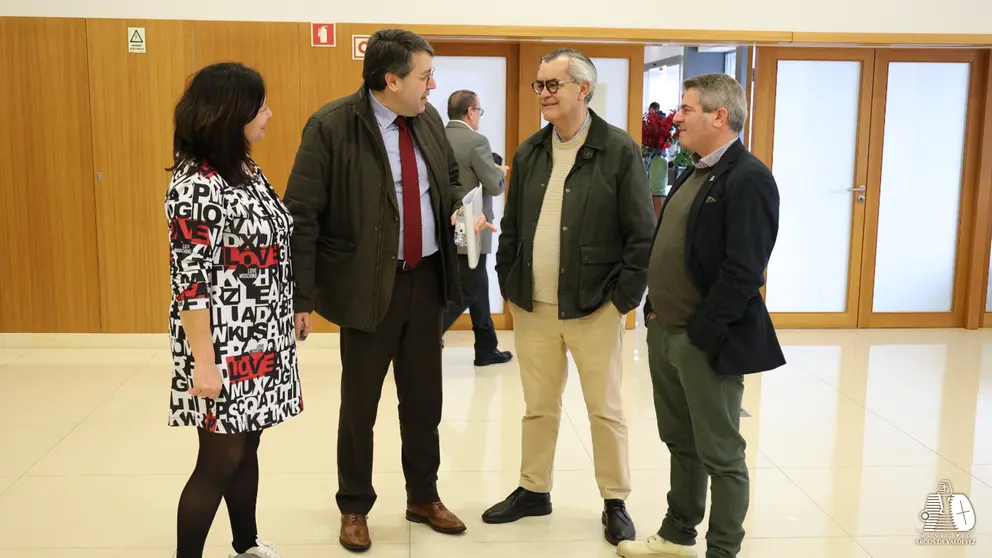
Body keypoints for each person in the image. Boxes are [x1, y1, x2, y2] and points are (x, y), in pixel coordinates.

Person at [283, 28, 491, 553]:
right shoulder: (332, 126)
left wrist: (463, 211)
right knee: (361, 406)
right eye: (424, 76)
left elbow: (447, 178)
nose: (433, 85)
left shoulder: (428, 123)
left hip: (427, 279)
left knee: (424, 400)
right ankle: (354, 504)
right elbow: (301, 216)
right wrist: (300, 297)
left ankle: (423, 495)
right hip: (365, 287)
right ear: (391, 79)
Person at [488, 48, 655, 546]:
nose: (543, 93)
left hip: (594, 307)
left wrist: (621, 300)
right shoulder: (530, 150)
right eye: (539, 85)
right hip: (533, 305)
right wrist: (508, 280)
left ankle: (615, 499)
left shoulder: (617, 149)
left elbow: (641, 234)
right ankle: (533, 490)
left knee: (604, 408)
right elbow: (512, 227)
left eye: (552, 85)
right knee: (538, 406)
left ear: (583, 89)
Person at [617, 73, 785, 558]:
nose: (676, 118)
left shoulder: (749, 178)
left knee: (721, 453)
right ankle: (677, 534)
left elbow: (744, 269)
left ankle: (723, 549)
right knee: (680, 442)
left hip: (703, 340)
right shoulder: (693, 170)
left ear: (719, 115)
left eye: (687, 109)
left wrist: (703, 332)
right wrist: (654, 315)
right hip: (664, 330)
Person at [165, 62, 303, 558]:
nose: (269, 113)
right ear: (231, 111)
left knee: (248, 446)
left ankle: (244, 542)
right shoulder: (195, 185)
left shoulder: (243, 167)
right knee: (218, 458)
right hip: (221, 342)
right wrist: (203, 360)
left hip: (262, 333)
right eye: (260, 105)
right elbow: (191, 282)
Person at [441, 89, 513, 366]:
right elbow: (493, 186)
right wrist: (501, 173)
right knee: (469, 289)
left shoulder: (437, 137)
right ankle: (424, 337)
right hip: (472, 227)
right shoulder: (476, 141)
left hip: (444, 226)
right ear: (470, 112)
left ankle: (486, 347)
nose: (479, 117)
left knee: (478, 286)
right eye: (479, 111)